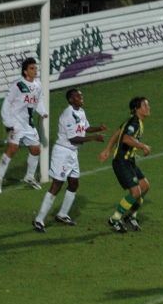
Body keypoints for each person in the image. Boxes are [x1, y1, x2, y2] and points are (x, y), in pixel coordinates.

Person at [32, 89, 107, 233]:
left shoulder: (80, 112)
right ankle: (38, 219)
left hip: (73, 153)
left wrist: (98, 128)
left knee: (74, 183)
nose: (80, 97)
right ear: (71, 100)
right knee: (57, 185)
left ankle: (62, 214)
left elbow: (85, 127)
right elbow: (73, 138)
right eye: (77, 96)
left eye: (81, 94)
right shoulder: (67, 115)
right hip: (62, 153)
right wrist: (94, 138)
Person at [0, 57, 49, 194]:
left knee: (36, 150)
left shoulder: (38, 85)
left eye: (36, 68)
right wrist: (8, 123)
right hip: (15, 122)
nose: (35, 70)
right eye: (32, 68)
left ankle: (29, 176)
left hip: (28, 124)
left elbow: (39, 102)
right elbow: (6, 104)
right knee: (12, 149)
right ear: (25, 71)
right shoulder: (17, 85)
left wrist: (42, 112)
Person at [99, 96, 151, 233]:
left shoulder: (134, 121)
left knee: (144, 186)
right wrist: (142, 146)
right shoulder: (134, 122)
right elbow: (126, 139)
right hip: (122, 162)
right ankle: (115, 219)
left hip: (130, 160)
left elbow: (117, 133)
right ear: (136, 109)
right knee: (135, 192)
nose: (148, 108)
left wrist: (107, 150)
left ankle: (131, 216)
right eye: (145, 106)